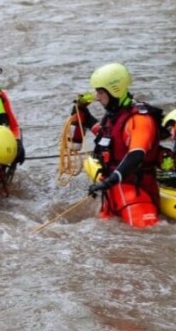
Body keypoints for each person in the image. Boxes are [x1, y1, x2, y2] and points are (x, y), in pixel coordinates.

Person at [69, 63, 164, 228]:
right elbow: (104, 135)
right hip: (114, 194)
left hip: (136, 195)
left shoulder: (140, 119)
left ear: (114, 91)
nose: (97, 97)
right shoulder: (115, 114)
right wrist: (84, 114)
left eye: (100, 92)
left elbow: (137, 154)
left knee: (144, 238)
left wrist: (110, 181)